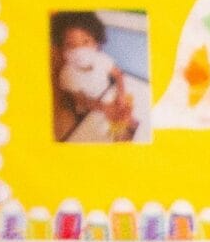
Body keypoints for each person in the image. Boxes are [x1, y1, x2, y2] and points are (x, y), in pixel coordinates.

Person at [49, 11, 147, 143]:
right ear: (62, 49)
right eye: (70, 44)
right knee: (103, 133)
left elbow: (118, 75)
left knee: (132, 119)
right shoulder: (67, 75)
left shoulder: (101, 59)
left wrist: (121, 94)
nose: (79, 50)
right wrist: (105, 108)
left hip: (108, 95)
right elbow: (82, 101)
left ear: (96, 42)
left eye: (85, 41)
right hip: (89, 109)